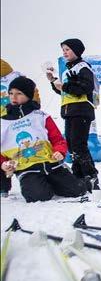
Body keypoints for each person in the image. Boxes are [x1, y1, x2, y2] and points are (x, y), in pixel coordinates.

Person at [1, 77, 89, 202]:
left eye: (19, 93)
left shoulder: (40, 116)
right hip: (27, 169)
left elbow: (58, 140)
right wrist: (3, 164)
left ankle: (72, 180)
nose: (13, 97)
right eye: (11, 93)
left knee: (77, 191)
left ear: (28, 95)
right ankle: (43, 185)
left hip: (51, 165)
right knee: (38, 196)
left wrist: (60, 151)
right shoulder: (3, 123)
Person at [46, 38, 100, 188]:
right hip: (70, 111)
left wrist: (64, 86)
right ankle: (78, 174)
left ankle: (90, 175)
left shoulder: (83, 67)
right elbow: (65, 93)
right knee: (71, 145)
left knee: (78, 144)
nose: (64, 52)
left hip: (81, 110)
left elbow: (85, 87)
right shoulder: (67, 70)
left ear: (76, 51)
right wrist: (53, 81)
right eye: (63, 50)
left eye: (67, 49)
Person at [1, 59, 42, 197]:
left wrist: (33, 106)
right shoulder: (16, 76)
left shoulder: (15, 78)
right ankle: (3, 187)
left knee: (10, 152)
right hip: (11, 118)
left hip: (13, 119)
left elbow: (31, 90)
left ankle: (4, 186)